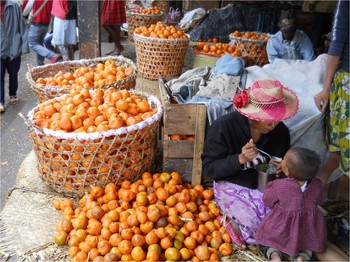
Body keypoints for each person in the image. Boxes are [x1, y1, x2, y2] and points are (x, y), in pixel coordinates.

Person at [202, 79, 299, 243]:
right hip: (231, 184)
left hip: (266, 187)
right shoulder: (224, 127)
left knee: (296, 213)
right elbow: (209, 168)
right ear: (253, 115)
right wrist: (239, 159)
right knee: (263, 221)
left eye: (276, 118)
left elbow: (283, 159)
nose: (273, 123)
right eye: (268, 118)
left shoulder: (280, 131)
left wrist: (282, 166)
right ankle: (235, 224)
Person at [255, 147, 327, 262]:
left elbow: (267, 200)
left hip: (281, 229)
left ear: (287, 172)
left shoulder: (279, 186)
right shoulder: (317, 185)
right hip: (307, 229)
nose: (282, 160)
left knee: (266, 241)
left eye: (284, 160)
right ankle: (302, 257)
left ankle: (275, 256)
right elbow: (320, 199)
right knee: (308, 245)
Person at [313, 0, 350, 184]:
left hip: (347, 87)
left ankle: (310, 199)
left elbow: (336, 44)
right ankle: (311, 199)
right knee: (337, 151)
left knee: (337, 150)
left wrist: (326, 88)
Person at [0, 0, 29, 113]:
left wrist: (24, 47)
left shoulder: (14, 6)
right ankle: (0, 101)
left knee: (13, 73)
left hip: (13, 46)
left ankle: (13, 94)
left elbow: (22, 26)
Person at [22, 0, 60, 66]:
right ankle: (40, 65)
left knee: (33, 43)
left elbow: (25, 11)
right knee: (39, 44)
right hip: (46, 24)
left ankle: (52, 55)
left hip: (36, 23)